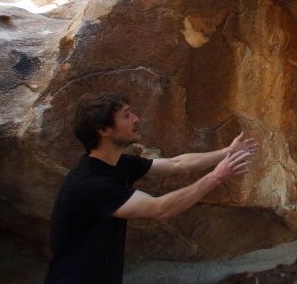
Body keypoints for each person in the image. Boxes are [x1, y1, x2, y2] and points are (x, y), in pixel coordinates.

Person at [45, 93, 256, 284]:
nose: (136, 119)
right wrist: (217, 176)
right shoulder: (90, 184)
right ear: (103, 130)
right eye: (126, 116)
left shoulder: (119, 164)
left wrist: (227, 152)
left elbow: (177, 164)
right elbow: (159, 208)